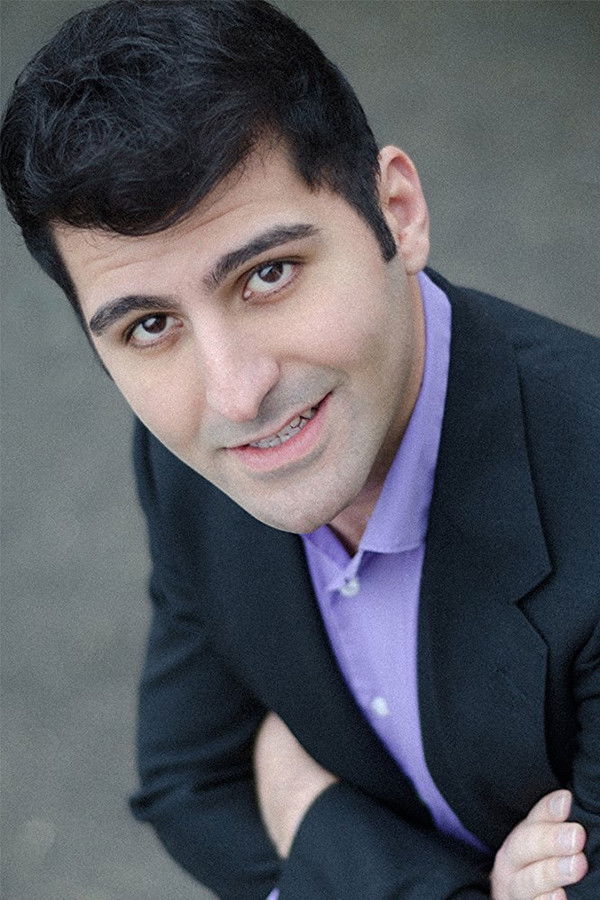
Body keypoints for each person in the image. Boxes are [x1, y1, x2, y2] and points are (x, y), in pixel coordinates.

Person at [1, 1, 598, 897]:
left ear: (397, 212)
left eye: (267, 274)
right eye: (150, 325)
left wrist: (303, 811)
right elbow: (190, 787)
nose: (235, 395)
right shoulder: (187, 463)